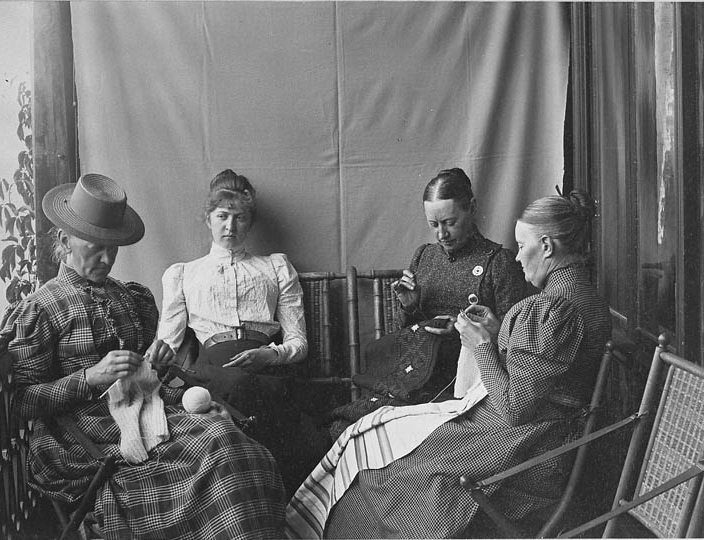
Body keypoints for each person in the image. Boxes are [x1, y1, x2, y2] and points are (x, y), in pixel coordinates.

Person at [286, 189, 611, 539]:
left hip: (527, 448)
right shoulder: (585, 299)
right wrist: (497, 332)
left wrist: (482, 346)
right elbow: (545, 369)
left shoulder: (553, 307)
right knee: (382, 446)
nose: (518, 257)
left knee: (386, 476)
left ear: (546, 246)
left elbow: (517, 407)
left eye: (522, 246)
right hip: (541, 435)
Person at [0, 173, 285, 540]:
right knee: (218, 448)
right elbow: (23, 402)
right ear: (65, 240)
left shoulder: (128, 297)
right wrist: (90, 377)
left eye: (113, 248)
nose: (106, 259)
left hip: (148, 412)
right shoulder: (41, 308)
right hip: (83, 436)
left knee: (240, 444)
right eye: (95, 247)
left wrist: (160, 368)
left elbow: (146, 380)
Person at [327, 168, 530, 438]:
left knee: (372, 432)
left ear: (472, 208)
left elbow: (516, 340)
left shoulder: (499, 262)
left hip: (462, 383)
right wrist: (410, 307)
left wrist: (462, 332)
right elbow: (406, 333)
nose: (441, 234)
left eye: (449, 222)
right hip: (416, 374)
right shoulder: (425, 256)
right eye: (433, 225)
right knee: (344, 427)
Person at [157, 169, 323, 496]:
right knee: (240, 389)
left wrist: (270, 354)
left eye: (240, 218)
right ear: (207, 218)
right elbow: (168, 343)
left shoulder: (275, 268)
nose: (230, 227)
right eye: (222, 216)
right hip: (213, 374)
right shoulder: (184, 274)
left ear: (251, 222)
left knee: (299, 428)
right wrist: (154, 362)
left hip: (267, 370)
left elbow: (299, 343)